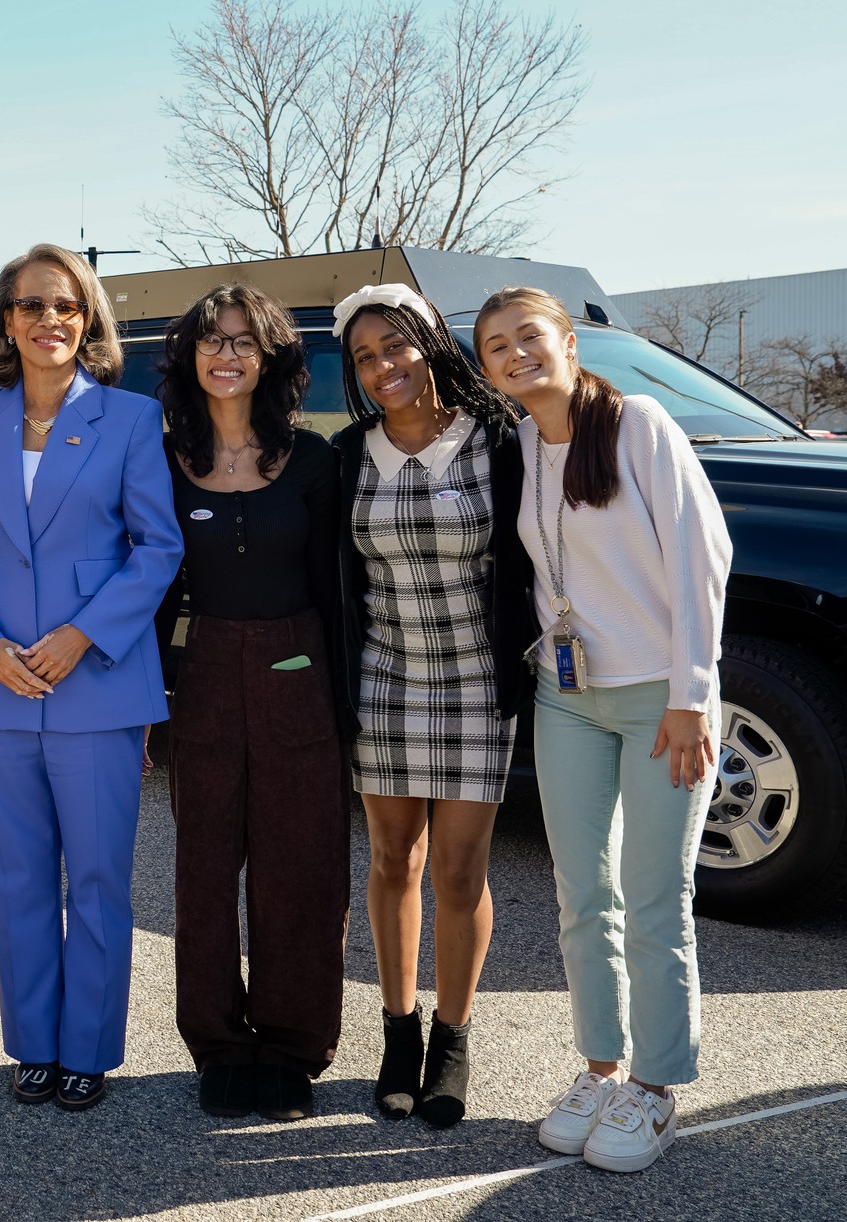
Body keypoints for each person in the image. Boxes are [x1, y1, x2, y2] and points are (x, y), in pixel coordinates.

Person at [475, 286, 731, 1174]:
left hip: (662, 700)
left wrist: (692, 695)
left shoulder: (638, 426)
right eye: (497, 346)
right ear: (487, 369)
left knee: (656, 896)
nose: (517, 354)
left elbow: (704, 559)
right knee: (583, 894)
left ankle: (655, 1087)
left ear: (570, 344)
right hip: (567, 695)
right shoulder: (519, 446)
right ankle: (601, 1070)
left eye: (530, 336)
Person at [0, 244, 182, 1112]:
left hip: (98, 683)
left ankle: (88, 1048)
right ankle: (34, 1044)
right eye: (32, 305)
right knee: (17, 883)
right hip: (0, 690)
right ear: (6, 321)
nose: (50, 319)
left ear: (89, 321)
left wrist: (82, 635)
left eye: (67, 306)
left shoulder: (131, 417)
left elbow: (157, 547)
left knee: (100, 881)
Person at [331, 284, 536, 1129]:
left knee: (458, 870)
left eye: (396, 347)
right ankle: (398, 1032)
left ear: (430, 345)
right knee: (392, 860)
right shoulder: (348, 455)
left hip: (476, 683)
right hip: (384, 678)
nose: (383, 367)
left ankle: (452, 1040)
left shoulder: (496, 439)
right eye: (364, 357)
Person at [153, 284, 344, 1121]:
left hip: (296, 666)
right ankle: (219, 1045)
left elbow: (336, 591)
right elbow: (155, 588)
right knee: (202, 867)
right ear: (190, 356)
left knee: (299, 866)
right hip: (203, 672)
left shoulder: (312, 460)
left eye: (243, 343)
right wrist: (146, 703)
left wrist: (343, 705)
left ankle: (293, 1045)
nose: (225, 356)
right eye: (211, 341)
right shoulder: (164, 459)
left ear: (270, 358)